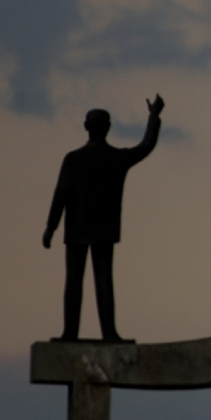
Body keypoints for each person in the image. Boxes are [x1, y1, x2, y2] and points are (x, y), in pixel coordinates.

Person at [44, 95, 164, 342]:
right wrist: (153, 116)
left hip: (77, 228)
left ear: (86, 127)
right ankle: (108, 333)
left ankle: (70, 334)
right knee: (103, 280)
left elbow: (60, 195)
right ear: (107, 128)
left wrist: (50, 227)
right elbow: (146, 145)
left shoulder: (73, 159)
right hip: (103, 229)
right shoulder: (116, 158)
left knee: (74, 282)